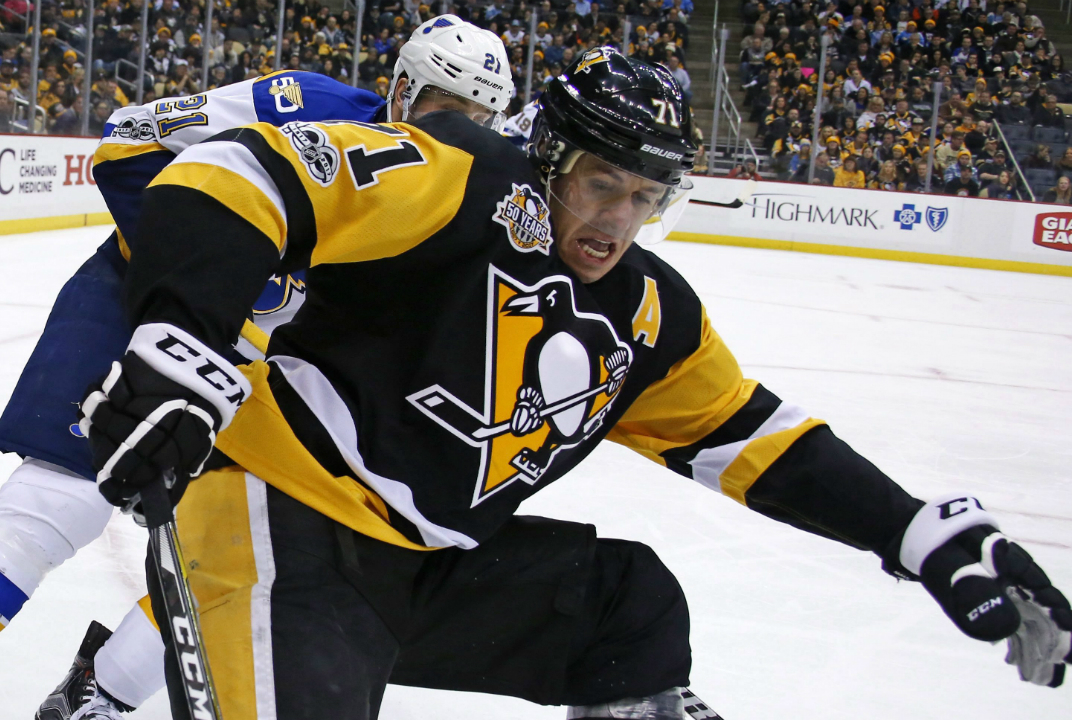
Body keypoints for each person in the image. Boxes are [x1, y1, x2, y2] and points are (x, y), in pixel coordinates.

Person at [83, 46, 1072, 720]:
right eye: (599, 183)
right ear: (547, 161)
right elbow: (239, 174)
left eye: (643, 197)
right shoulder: (459, 181)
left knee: (626, 606)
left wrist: (916, 532)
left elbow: (753, 440)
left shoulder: (641, 312)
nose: (615, 221)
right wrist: (183, 343)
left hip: (418, 569)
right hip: (275, 520)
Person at [0, 15, 516, 720]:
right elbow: (130, 138)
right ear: (402, 87)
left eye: (480, 118)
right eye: (445, 107)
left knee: (225, 553)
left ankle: (95, 698)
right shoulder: (310, 106)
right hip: (141, 305)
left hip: (255, 364)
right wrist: (201, 273)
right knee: (52, 508)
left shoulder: (465, 197)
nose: (459, 130)